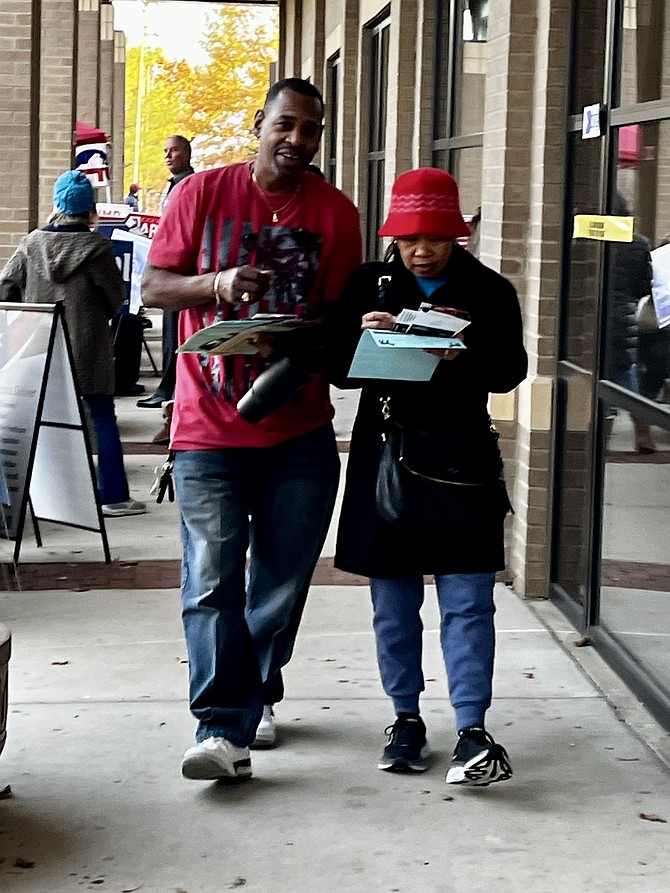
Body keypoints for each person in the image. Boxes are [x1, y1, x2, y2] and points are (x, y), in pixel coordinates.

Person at [141, 77, 362, 781]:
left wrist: (311, 334)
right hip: (208, 426)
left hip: (298, 428)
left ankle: (253, 694)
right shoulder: (201, 193)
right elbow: (153, 287)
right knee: (210, 580)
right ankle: (219, 725)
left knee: (279, 582)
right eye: (286, 125)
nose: (298, 140)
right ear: (258, 123)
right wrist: (217, 284)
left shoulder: (336, 214)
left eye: (311, 130)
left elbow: (339, 316)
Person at [328, 168, 527, 786]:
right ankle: (405, 718)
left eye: (436, 238)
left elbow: (509, 372)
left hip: (461, 459)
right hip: (385, 455)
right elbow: (337, 371)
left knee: (469, 602)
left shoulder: (490, 291)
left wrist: (459, 354)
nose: (422, 250)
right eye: (411, 238)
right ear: (395, 235)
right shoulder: (368, 284)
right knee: (394, 605)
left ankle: (472, 727)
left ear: (457, 234)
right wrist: (361, 339)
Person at [0, 170, 147, 517]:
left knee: (36, 418)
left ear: (56, 203)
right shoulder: (97, 248)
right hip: (88, 347)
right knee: (102, 416)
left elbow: (6, 286)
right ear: (89, 209)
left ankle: (39, 496)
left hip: (40, 346)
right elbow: (115, 298)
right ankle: (113, 496)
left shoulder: (32, 243)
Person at [137, 135, 195, 415]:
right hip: (169, 269)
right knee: (171, 334)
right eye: (165, 151)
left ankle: (169, 388)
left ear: (187, 154)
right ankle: (167, 386)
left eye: (174, 151)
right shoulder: (173, 186)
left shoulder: (190, 186)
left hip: (179, 272)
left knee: (176, 335)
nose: (168, 156)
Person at [605, 192, 655, 453]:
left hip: (593, 315)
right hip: (623, 316)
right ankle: (643, 432)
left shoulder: (589, 239)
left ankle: (602, 440)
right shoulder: (640, 244)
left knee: (600, 376)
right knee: (625, 372)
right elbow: (645, 286)